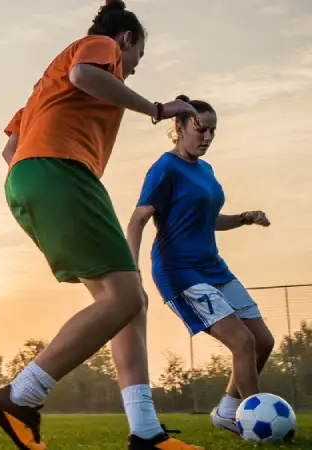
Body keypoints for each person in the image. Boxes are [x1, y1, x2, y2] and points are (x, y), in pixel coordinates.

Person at [0, 1, 202, 449]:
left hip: (30, 181)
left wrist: (41, 182)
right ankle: (21, 397)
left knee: (125, 301)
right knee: (124, 297)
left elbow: (11, 149)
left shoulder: (42, 87)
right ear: (125, 40)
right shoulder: (98, 46)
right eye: (135, 60)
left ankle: (145, 431)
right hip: (62, 173)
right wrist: (158, 109)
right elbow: (87, 75)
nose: (130, 72)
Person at [126, 95, 274, 437]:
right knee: (242, 343)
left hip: (214, 268)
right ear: (178, 128)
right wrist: (130, 273)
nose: (206, 137)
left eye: (212, 131)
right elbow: (138, 219)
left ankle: (226, 412)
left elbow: (206, 219)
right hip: (180, 273)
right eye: (200, 129)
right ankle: (253, 423)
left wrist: (244, 218)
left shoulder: (205, 169)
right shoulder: (164, 169)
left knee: (262, 341)